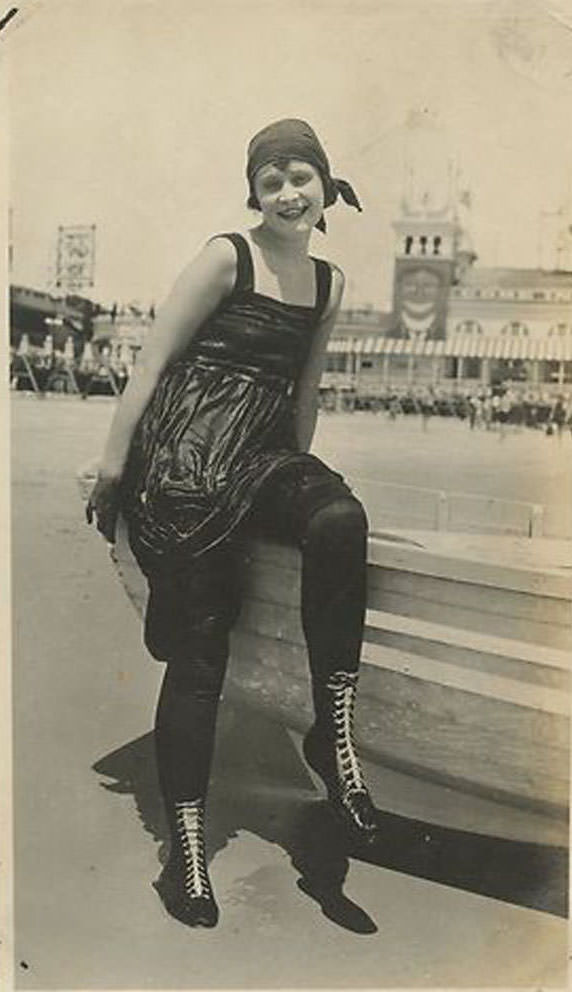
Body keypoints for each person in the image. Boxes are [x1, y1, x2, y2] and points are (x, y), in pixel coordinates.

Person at [86, 119, 379, 930]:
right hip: (184, 456)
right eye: (272, 180)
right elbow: (151, 362)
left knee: (339, 518)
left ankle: (331, 736)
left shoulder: (329, 281)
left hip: (258, 453)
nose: (288, 193)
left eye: (302, 178)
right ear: (253, 193)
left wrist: (294, 484)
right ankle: (183, 853)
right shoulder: (228, 255)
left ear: (326, 185)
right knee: (201, 653)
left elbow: (307, 394)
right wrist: (114, 471)